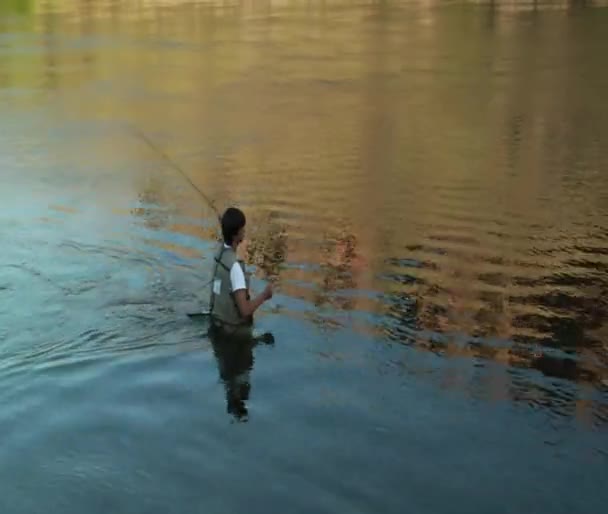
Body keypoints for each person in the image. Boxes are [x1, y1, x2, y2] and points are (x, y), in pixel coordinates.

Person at [209, 207, 273, 332]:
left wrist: (225, 224)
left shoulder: (220, 254)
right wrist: (265, 296)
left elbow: (226, 235)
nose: (244, 232)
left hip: (215, 324)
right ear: (235, 235)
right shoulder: (235, 267)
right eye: (242, 229)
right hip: (232, 333)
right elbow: (245, 311)